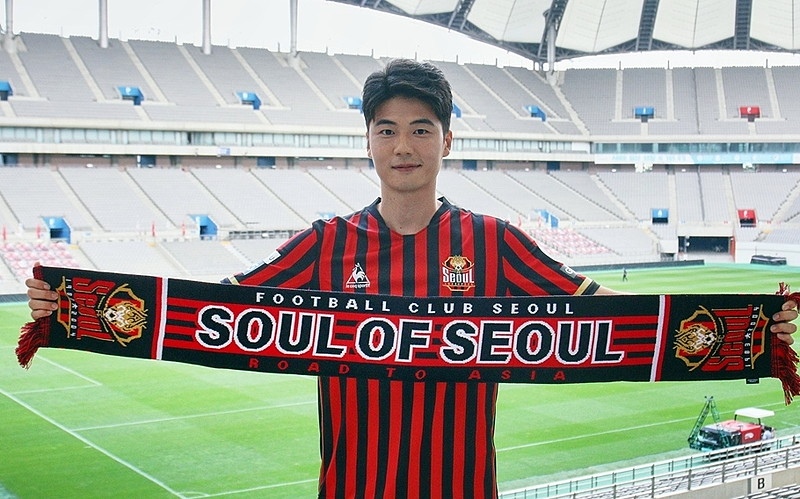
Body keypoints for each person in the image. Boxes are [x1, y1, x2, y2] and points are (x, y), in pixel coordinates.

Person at [24, 59, 798, 498]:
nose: (403, 145)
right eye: (387, 129)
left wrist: (752, 331)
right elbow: (211, 307)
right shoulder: (326, 244)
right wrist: (73, 304)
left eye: (420, 129)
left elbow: (613, 320)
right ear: (367, 141)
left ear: (446, 140)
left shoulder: (493, 243)